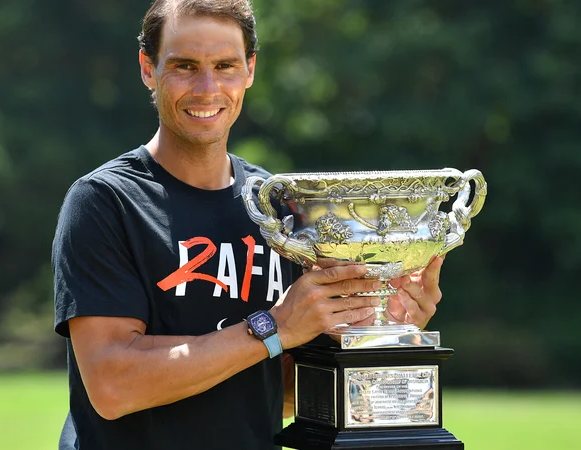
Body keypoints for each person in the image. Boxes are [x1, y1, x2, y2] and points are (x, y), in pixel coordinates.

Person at [51, 1, 445, 449]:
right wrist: (273, 327)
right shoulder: (105, 201)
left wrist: (372, 332)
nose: (207, 87)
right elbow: (113, 385)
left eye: (225, 66)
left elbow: (280, 393)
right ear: (147, 67)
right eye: (184, 66)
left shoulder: (280, 207)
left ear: (250, 70)